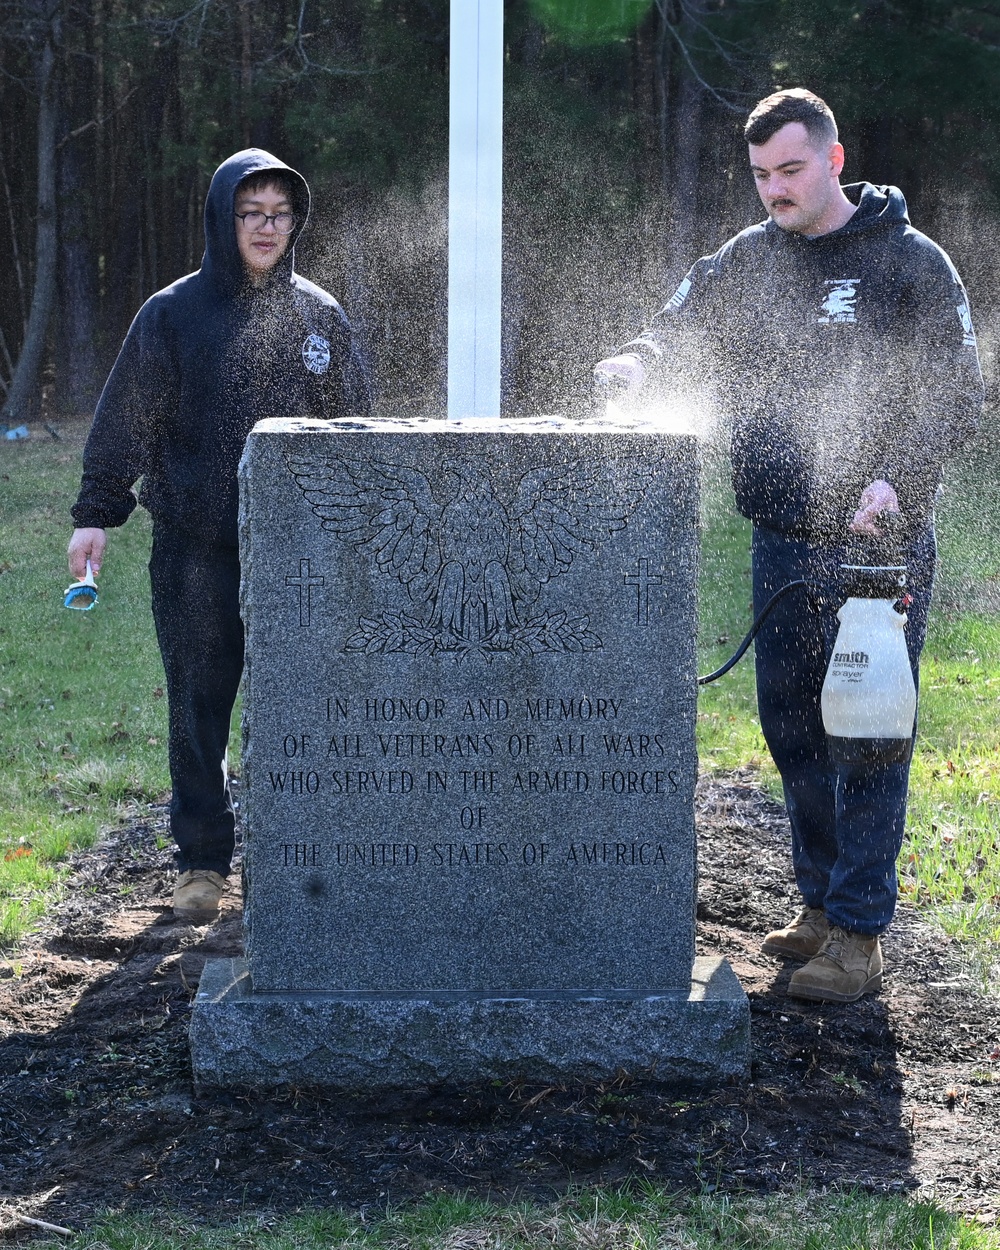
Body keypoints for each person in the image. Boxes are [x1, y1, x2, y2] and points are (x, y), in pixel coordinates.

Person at [595, 89, 983, 1003]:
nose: (774, 189)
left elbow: (956, 392)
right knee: (794, 729)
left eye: (790, 170)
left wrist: (898, 475)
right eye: (761, 174)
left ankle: (857, 934)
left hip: (875, 549)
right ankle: (817, 901)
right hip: (777, 542)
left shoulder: (909, 261)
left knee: (869, 732)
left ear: (834, 160)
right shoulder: (744, 260)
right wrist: (636, 362)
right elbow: (674, 326)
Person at [68, 149, 370, 924]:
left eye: (280, 214)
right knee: (199, 707)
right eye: (251, 213)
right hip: (196, 549)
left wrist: (360, 534)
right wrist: (95, 517)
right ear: (221, 219)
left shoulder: (320, 316)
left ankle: (296, 857)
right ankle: (201, 860)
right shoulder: (172, 315)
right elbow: (125, 424)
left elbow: (355, 434)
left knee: (300, 706)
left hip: (299, 555)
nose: (267, 227)